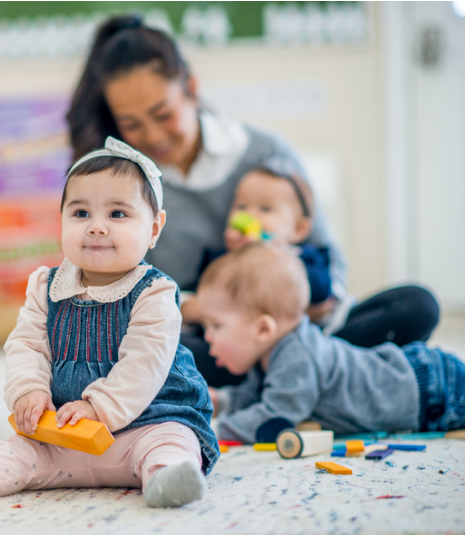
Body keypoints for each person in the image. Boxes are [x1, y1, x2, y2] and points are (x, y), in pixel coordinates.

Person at [67, 14, 439, 387]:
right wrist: (201, 307)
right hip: (211, 339)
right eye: (131, 124)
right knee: (134, 346)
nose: (152, 135)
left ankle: (290, 374)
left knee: (417, 305)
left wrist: (312, 294)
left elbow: (327, 254)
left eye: (163, 114)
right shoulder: (124, 184)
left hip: (299, 329)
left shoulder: (266, 152)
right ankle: (314, 379)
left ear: (191, 88)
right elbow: (126, 292)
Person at [0, 137, 218, 509]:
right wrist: (28, 391)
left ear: (154, 227)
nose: (96, 227)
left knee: (173, 443)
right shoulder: (46, 286)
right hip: (64, 434)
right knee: (17, 450)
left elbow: (146, 362)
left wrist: (100, 408)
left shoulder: (154, 291)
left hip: (146, 425)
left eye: (117, 214)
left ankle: (166, 479)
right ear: (60, 219)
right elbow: (26, 345)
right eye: (80, 214)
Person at [195, 243, 464, 444]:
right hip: (419, 384)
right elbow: (256, 396)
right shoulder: (270, 354)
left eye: (216, 326)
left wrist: (213, 429)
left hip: (430, 390)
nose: (207, 337)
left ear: (263, 328)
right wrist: (224, 401)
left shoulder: (298, 354)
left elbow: (276, 415)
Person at [184, 158, 335, 331]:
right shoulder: (223, 257)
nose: (250, 216)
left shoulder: (305, 257)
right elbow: (202, 289)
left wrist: (274, 255)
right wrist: (236, 259)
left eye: (265, 209)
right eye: (241, 206)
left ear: (299, 229)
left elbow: (320, 291)